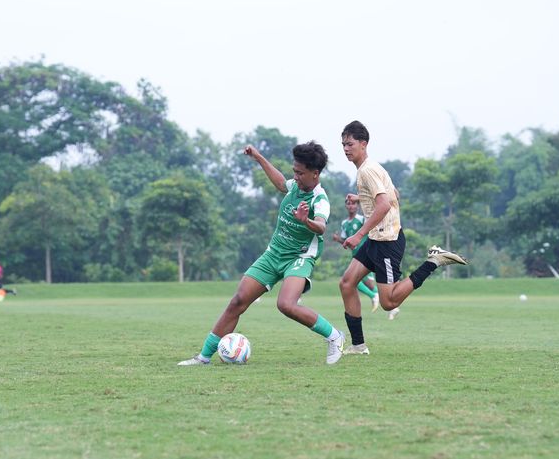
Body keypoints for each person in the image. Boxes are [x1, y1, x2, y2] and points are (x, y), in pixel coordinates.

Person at [178, 141, 346, 365]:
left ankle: (335, 336)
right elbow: (279, 182)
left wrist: (306, 221)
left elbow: (322, 226)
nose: (295, 177)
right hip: (273, 253)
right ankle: (203, 357)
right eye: (294, 171)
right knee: (238, 301)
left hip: (300, 257)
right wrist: (258, 157)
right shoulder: (295, 186)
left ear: (315, 174)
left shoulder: (319, 199)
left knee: (286, 304)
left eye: (300, 173)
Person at [338, 121, 467, 355]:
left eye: (350, 144)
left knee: (389, 302)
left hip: (387, 242)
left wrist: (358, 234)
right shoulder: (369, 169)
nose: (346, 149)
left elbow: (385, 203)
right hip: (377, 239)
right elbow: (394, 193)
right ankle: (358, 345)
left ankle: (433, 261)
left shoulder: (367, 170)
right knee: (347, 283)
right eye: (343, 144)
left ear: (364, 143)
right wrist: (361, 198)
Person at [332, 198, 400, 320]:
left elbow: (371, 227)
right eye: (348, 204)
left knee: (351, 281)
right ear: (346, 206)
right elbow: (346, 240)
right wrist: (338, 240)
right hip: (356, 257)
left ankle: (375, 296)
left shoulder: (361, 219)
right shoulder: (344, 223)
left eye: (353, 203)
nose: (351, 206)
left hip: (367, 255)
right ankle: (391, 307)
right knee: (365, 283)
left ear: (357, 206)